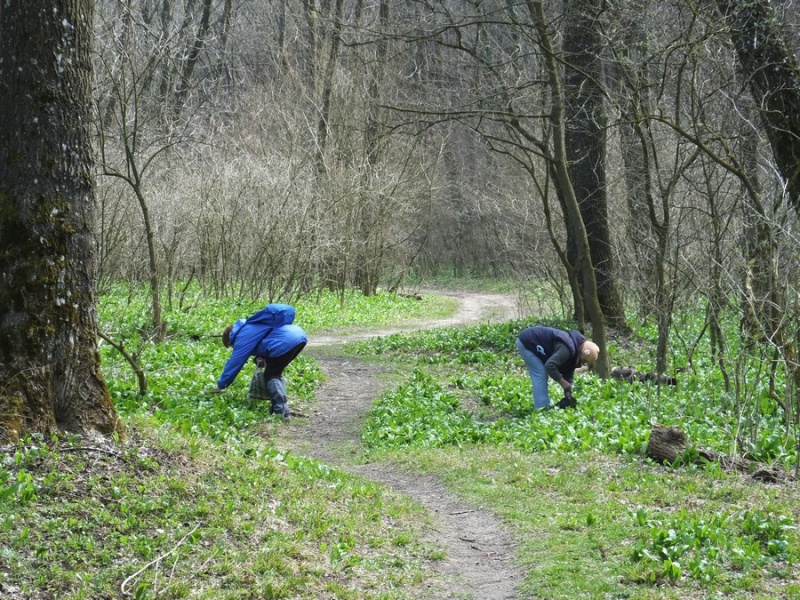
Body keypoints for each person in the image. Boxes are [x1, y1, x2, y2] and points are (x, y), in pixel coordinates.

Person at [213, 303, 307, 418]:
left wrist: (221, 385)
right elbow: (266, 341)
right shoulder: (251, 326)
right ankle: (279, 406)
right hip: (298, 336)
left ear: (230, 340)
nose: (234, 348)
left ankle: (281, 411)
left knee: (271, 375)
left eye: (231, 346)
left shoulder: (242, 335)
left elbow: (235, 362)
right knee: (275, 372)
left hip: (286, 342)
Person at [515, 325, 599, 410]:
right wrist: (562, 382)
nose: (582, 364)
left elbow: (568, 371)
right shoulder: (567, 349)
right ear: (583, 353)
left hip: (533, 342)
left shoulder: (575, 350)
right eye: (584, 361)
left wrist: (568, 390)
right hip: (528, 341)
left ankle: (543, 405)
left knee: (542, 373)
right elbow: (550, 366)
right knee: (540, 373)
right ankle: (541, 407)